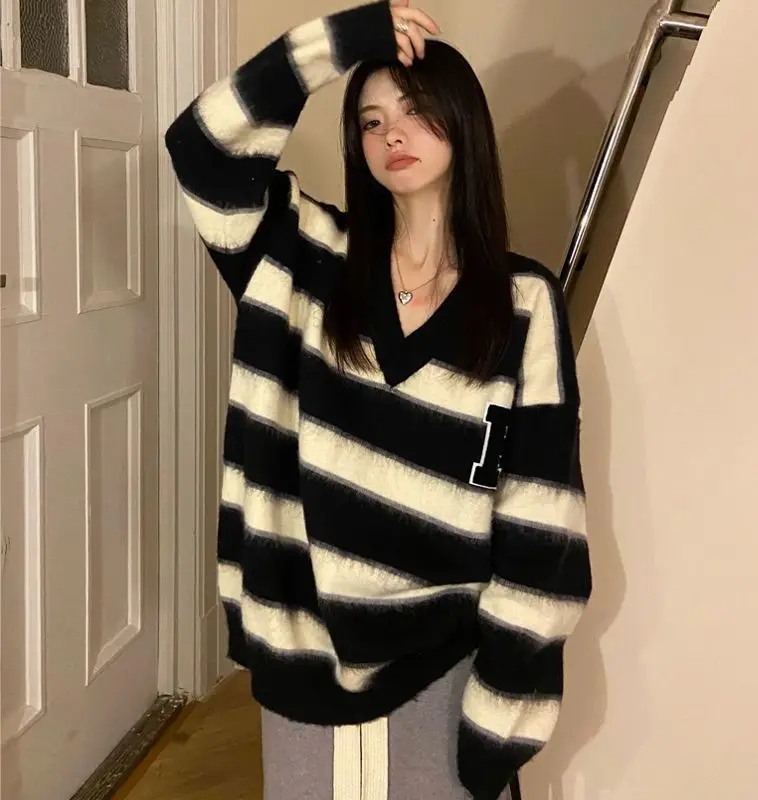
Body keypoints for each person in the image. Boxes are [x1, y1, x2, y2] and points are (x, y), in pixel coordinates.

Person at [165, 1, 591, 798]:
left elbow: (542, 511)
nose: (392, 133)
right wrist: (342, 42)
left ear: (462, 123)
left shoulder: (523, 303)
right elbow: (201, 147)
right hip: (304, 654)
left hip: (445, 659)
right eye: (370, 120)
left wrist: (507, 705)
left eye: (416, 110)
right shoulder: (302, 256)